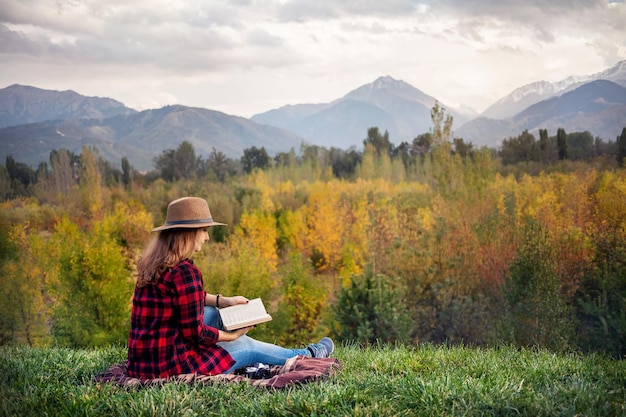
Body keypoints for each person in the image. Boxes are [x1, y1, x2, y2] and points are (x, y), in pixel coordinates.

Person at [127, 196, 334, 379]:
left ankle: (231, 339)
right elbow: (196, 334)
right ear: (188, 233)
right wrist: (233, 337)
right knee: (248, 346)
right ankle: (307, 355)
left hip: (143, 359)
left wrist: (224, 301)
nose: (207, 237)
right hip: (171, 366)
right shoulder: (185, 272)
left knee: (211, 312)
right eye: (204, 231)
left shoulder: (154, 263)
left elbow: (186, 298)